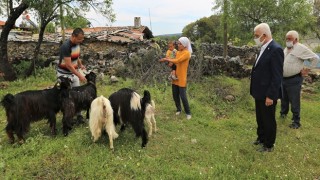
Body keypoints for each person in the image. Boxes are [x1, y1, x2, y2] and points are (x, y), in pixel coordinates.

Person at [250, 23, 284, 152]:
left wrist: (271, 95)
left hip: (268, 93)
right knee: (260, 117)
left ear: (264, 35)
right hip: (259, 91)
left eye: (257, 36)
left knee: (268, 119)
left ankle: (269, 144)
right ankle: (261, 137)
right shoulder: (263, 48)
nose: (255, 38)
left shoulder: (276, 49)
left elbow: (277, 76)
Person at [280, 30, 319, 129]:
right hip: (283, 79)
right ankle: (283, 114)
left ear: (296, 39)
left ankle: (296, 121)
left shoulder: (301, 48)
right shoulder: (286, 48)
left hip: (294, 79)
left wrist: (307, 69)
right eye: (286, 38)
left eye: (290, 39)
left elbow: (315, 58)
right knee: (284, 98)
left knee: (294, 100)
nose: (287, 40)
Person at [57, 28, 86, 123]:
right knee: (66, 97)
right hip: (64, 75)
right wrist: (80, 76)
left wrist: (80, 65)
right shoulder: (65, 46)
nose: (81, 41)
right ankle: (68, 118)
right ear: (73, 36)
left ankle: (79, 115)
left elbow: (77, 56)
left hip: (74, 73)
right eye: (79, 39)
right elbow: (69, 65)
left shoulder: (77, 45)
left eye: (82, 39)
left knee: (78, 95)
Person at [159, 37, 192, 120]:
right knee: (175, 95)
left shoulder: (187, 53)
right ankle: (178, 109)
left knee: (183, 96)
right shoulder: (177, 52)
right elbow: (174, 62)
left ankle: (188, 112)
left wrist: (167, 59)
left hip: (182, 77)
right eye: (178, 43)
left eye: (180, 43)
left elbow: (177, 60)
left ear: (184, 45)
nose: (178, 45)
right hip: (175, 77)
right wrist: (168, 62)